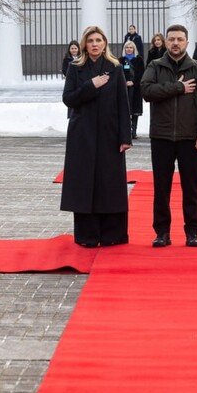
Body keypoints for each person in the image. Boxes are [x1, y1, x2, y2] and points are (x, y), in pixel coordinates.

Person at [141, 25, 197, 247]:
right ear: (165, 41)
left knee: (191, 187)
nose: (175, 43)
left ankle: (192, 232)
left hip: (189, 139)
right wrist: (177, 87)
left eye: (180, 39)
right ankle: (162, 232)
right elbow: (146, 91)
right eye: (172, 39)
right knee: (161, 187)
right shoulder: (155, 66)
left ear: (187, 42)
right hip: (161, 137)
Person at [61, 25, 132, 248]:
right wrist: (91, 85)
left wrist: (125, 136)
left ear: (105, 44)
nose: (94, 44)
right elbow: (69, 99)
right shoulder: (75, 68)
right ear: (85, 44)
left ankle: (113, 233)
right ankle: (87, 235)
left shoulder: (115, 68)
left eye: (98, 40)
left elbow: (123, 103)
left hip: (110, 134)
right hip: (82, 135)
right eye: (90, 40)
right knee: (84, 184)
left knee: (109, 183)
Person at [119, 40, 145, 139]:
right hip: (124, 88)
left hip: (136, 89)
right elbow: (119, 73)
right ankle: (126, 131)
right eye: (127, 47)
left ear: (134, 49)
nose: (129, 49)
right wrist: (124, 82)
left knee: (135, 111)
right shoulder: (121, 60)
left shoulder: (139, 60)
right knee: (125, 110)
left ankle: (133, 131)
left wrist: (134, 82)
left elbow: (142, 73)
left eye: (131, 47)